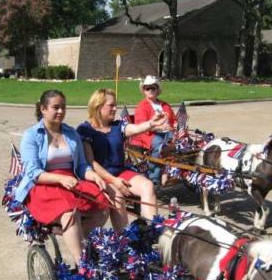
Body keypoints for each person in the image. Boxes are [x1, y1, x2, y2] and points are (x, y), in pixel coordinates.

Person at [15, 89, 109, 265]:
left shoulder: (71, 133)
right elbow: (34, 173)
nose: (60, 111)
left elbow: (81, 165)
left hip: (70, 182)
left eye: (63, 107)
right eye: (55, 107)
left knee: (103, 205)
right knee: (69, 213)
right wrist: (60, 179)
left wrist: (93, 175)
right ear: (43, 109)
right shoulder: (32, 135)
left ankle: (80, 241)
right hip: (44, 184)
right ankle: (83, 265)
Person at [77, 88, 168, 231]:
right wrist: (114, 181)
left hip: (120, 172)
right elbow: (91, 162)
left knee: (148, 186)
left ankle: (153, 232)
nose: (115, 108)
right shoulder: (85, 130)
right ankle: (125, 240)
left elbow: (136, 128)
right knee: (117, 197)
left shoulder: (118, 125)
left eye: (115, 105)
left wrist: (152, 123)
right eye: (111, 105)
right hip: (99, 177)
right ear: (98, 106)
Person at [129, 75, 176, 185]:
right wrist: (158, 127)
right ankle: (154, 177)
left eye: (153, 88)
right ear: (144, 91)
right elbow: (142, 126)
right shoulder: (142, 106)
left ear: (157, 90)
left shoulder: (165, 105)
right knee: (160, 146)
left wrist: (175, 126)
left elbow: (174, 120)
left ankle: (172, 171)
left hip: (168, 132)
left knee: (180, 143)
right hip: (148, 134)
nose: (150, 90)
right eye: (147, 88)